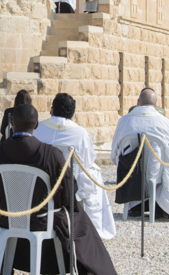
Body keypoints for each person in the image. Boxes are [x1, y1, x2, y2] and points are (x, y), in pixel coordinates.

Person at [0, 104, 117, 275]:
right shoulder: (50, 154)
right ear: (37, 125)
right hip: (43, 221)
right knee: (81, 221)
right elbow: (68, 193)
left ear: (11, 122)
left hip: (7, 221)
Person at [33, 93, 116, 240]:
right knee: (94, 177)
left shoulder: (38, 130)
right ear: (73, 113)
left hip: (40, 186)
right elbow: (88, 160)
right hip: (69, 186)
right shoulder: (80, 134)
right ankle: (93, 228)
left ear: (52, 110)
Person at [111, 88, 169, 220]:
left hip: (130, 172)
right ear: (156, 105)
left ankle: (135, 206)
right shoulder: (165, 123)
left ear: (138, 102)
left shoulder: (124, 121)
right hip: (156, 174)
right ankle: (159, 205)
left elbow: (114, 154)